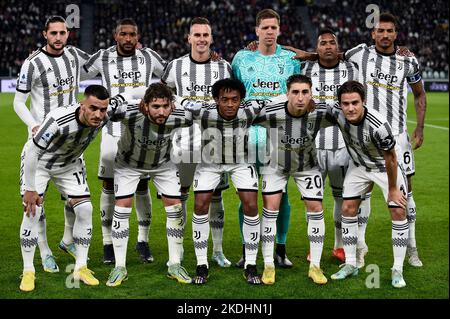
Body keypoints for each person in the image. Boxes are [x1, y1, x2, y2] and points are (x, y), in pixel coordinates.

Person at [19, 85, 138, 292]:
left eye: (102, 110)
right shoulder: (58, 119)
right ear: (82, 105)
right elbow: (32, 153)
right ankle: (28, 270)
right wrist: (30, 188)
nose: (98, 114)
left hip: (69, 164)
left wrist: (163, 93)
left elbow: (129, 94)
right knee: (32, 211)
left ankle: (81, 267)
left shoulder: (106, 112)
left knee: (85, 209)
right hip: (40, 164)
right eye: (93, 108)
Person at [343, 13, 426, 268]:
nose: (385, 35)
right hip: (365, 135)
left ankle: (411, 247)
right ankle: (360, 248)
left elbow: (420, 94)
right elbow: (329, 55)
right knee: (362, 193)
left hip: (398, 137)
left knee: (405, 193)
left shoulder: (408, 59)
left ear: (396, 34)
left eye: (390, 31)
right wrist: (303, 54)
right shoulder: (359, 54)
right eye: (380, 30)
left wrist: (420, 128)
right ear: (373, 33)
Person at [82, 18, 167, 264]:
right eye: (123, 34)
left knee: (142, 186)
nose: (128, 39)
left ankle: (143, 240)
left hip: (141, 129)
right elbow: (76, 68)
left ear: (137, 36)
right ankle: (108, 243)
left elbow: (173, 73)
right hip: (112, 128)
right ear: (115, 36)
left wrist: (211, 58)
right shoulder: (102, 57)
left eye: (132, 34)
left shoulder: (149, 57)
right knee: (109, 186)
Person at [14, 15, 91, 274]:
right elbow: (18, 102)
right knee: (38, 201)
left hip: (70, 144)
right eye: (54, 33)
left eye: (63, 32)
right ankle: (45, 250)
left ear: (68, 34)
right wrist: (34, 124)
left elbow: (103, 63)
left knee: (76, 201)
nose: (59, 37)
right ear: (45, 34)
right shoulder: (32, 63)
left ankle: (68, 240)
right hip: (43, 143)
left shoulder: (74, 56)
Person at [231, 8, 301, 269]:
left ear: (279, 30)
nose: (269, 32)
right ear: (257, 30)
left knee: (280, 195)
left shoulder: (291, 59)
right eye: (265, 28)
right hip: (247, 136)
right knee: (247, 196)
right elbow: (233, 93)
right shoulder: (241, 58)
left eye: (274, 28)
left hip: (279, 137)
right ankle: (246, 248)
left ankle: (280, 249)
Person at [106, 83, 194, 287]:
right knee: (122, 209)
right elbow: (106, 110)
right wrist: (125, 96)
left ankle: (174, 264)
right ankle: (119, 267)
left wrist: (178, 99)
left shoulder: (181, 116)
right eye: (155, 106)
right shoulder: (129, 112)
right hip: (128, 165)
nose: (161, 111)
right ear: (145, 106)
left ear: (171, 105)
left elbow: (194, 112)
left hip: (163, 164)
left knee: (176, 208)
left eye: (165, 106)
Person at [161, 17, 233, 268]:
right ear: (188, 38)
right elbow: (163, 93)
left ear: (211, 38)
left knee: (216, 196)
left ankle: (218, 250)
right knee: (179, 195)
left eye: (206, 35)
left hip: (215, 141)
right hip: (181, 141)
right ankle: (178, 249)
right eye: (197, 35)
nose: (201, 39)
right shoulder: (175, 66)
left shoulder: (223, 67)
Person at [323, 80, 409, 288]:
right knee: (347, 208)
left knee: (398, 210)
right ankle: (351, 264)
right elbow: (314, 107)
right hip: (359, 166)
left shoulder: (378, 125)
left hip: (384, 166)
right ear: (340, 104)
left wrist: (391, 190)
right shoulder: (336, 113)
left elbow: (391, 158)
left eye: (355, 103)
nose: (350, 108)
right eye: (345, 103)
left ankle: (397, 269)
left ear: (364, 102)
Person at [180, 79, 263, 285]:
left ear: (241, 100)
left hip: (241, 162)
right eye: (224, 99)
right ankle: (202, 265)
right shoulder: (203, 110)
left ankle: (250, 265)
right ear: (216, 99)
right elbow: (178, 100)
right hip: (209, 162)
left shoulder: (252, 108)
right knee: (200, 205)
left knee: (251, 204)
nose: (229, 104)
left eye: (234, 100)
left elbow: (279, 100)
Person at [253, 74, 327, 285]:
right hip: (275, 166)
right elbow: (242, 117)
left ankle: (315, 266)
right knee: (271, 209)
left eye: (305, 92)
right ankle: (268, 265)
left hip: (307, 166)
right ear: (287, 94)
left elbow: (348, 118)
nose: (300, 98)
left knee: (316, 208)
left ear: (311, 93)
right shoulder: (271, 112)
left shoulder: (321, 111)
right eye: (295, 92)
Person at [300, 29, 359, 263]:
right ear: (317, 48)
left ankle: (339, 245)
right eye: (322, 43)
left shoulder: (352, 69)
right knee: (312, 199)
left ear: (338, 47)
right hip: (312, 146)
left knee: (340, 199)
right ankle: (313, 247)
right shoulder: (305, 70)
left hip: (343, 145)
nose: (327, 46)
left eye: (331, 43)